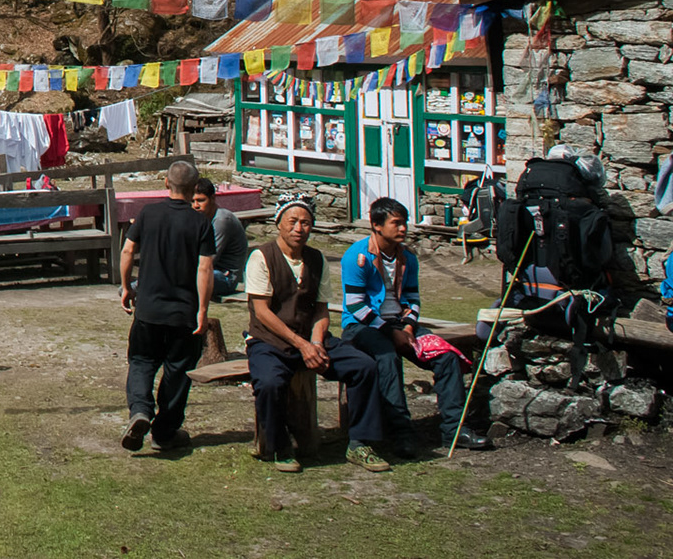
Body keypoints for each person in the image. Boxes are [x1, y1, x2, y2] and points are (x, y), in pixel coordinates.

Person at [244, 197, 390, 474]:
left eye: (306, 223)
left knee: (363, 366)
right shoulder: (261, 256)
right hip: (271, 341)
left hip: (311, 339)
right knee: (269, 382)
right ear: (279, 225)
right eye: (293, 222)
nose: (299, 228)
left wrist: (316, 342)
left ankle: (360, 442)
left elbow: (322, 310)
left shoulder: (316, 259)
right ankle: (279, 447)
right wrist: (301, 344)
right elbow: (261, 312)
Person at [341, 197, 493, 454]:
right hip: (363, 327)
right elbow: (356, 306)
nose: (403, 229)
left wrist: (408, 328)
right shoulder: (356, 257)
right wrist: (392, 333)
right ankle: (402, 432)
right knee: (387, 357)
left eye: (404, 223)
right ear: (377, 225)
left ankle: (454, 430)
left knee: (445, 356)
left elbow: (413, 298)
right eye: (396, 223)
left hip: (400, 325)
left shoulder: (407, 258)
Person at [117, 160, 215, 453]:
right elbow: (205, 269)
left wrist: (126, 286)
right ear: (194, 187)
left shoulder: (148, 213)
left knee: (142, 362)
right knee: (178, 370)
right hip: (183, 313)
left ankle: (141, 411)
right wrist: (203, 310)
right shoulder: (201, 223)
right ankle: (165, 431)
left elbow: (127, 250)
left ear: (165, 183)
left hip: (148, 308)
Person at [191, 177, 248, 298]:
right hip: (207, 269)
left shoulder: (221, 220)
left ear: (212, 198)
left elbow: (209, 260)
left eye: (201, 200)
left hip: (225, 277)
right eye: (192, 201)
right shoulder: (201, 219)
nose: (196, 205)